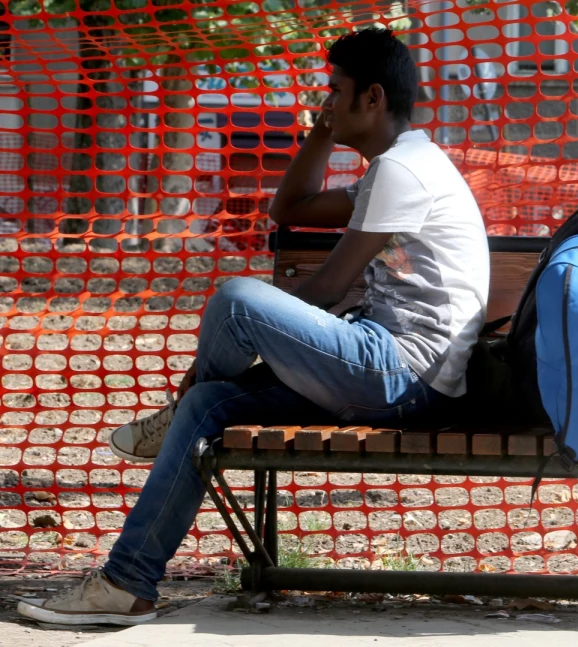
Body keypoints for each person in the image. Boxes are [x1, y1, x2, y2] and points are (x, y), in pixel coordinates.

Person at [18, 28, 489, 626]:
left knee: (237, 301)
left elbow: (326, 288)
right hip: (385, 368)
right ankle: (126, 584)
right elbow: (289, 208)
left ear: (372, 98)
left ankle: (174, 411)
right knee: (209, 405)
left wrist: (258, 330)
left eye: (335, 91)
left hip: (401, 372)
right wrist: (322, 132)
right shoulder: (393, 168)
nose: (325, 102)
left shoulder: (406, 170)